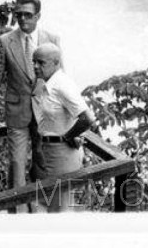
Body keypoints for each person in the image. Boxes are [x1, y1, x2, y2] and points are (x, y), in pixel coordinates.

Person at [0, 0, 61, 211]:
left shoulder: (51, 39)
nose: (22, 19)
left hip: (45, 113)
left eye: (27, 15)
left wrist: (66, 114)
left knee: (42, 161)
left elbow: (60, 77)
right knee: (17, 164)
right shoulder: (5, 41)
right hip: (17, 111)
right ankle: (17, 212)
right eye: (18, 15)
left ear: (38, 16)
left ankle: (42, 209)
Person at [31, 43, 95, 212]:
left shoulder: (62, 85)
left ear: (56, 62)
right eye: (34, 62)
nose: (36, 66)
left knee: (60, 208)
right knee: (51, 204)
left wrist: (67, 136)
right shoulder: (48, 84)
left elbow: (87, 118)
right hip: (50, 152)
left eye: (41, 63)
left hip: (62, 154)